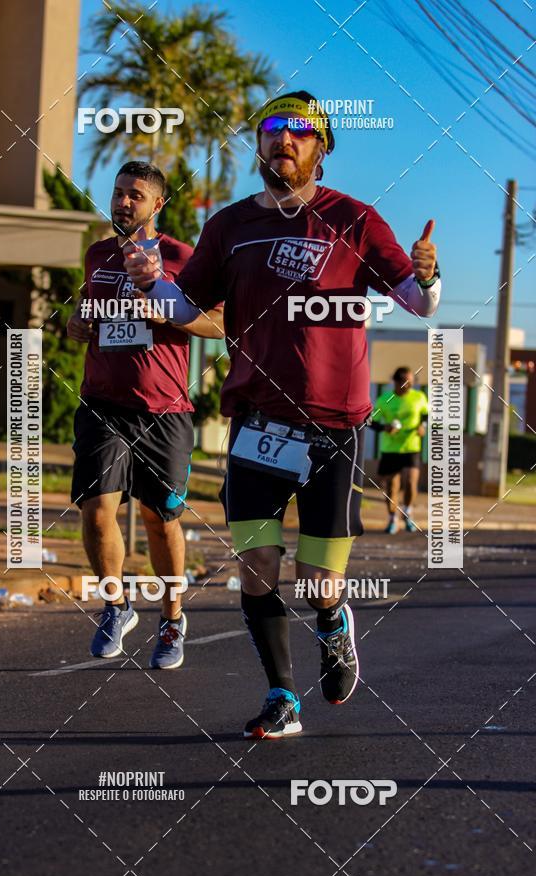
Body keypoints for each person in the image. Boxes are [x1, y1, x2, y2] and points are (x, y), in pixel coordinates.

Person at [123, 91, 441, 737]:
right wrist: (148, 282)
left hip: (332, 427)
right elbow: (186, 308)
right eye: (272, 130)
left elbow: (418, 303)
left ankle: (333, 621)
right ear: (260, 144)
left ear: (321, 147)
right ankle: (281, 696)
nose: (283, 141)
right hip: (256, 424)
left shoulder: (353, 219)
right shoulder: (231, 226)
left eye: (299, 132)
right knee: (257, 564)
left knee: (320, 580)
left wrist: (429, 276)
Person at [67, 161, 223, 669]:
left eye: (135, 195)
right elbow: (88, 309)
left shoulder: (181, 257)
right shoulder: (97, 255)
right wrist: (79, 322)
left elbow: (222, 323)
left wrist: (173, 312)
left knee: (161, 520)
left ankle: (173, 618)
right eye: (117, 193)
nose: (123, 202)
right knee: (95, 510)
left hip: (164, 409)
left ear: (157, 204)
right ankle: (116, 605)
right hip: (103, 402)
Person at [371, 367, 429, 534]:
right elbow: (371, 422)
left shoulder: (419, 397)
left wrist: (422, 426)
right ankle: (392, 519)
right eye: (406, 382)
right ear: (396, 382)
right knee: (392, 486)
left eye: (412, 382)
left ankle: (408, 512)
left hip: (411, 447)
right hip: (391, 449)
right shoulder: (385, 399)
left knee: (411, 481)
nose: (409, 385)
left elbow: (425, 414)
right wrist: (385, 427)